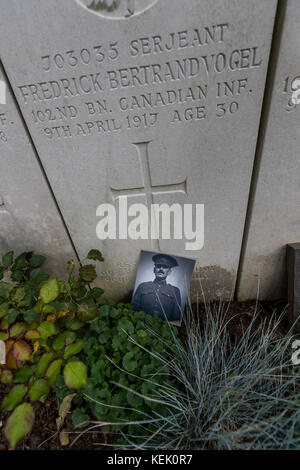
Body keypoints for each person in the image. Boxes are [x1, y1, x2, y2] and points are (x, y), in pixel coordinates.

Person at [132, 254, 182, 322]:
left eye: (165, 267)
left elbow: (176, 317)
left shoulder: (175, 291)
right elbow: (133, 310)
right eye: (158, 266)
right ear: (154, 270)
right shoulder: (142, 286)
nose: (161, 269)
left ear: (169, 272)